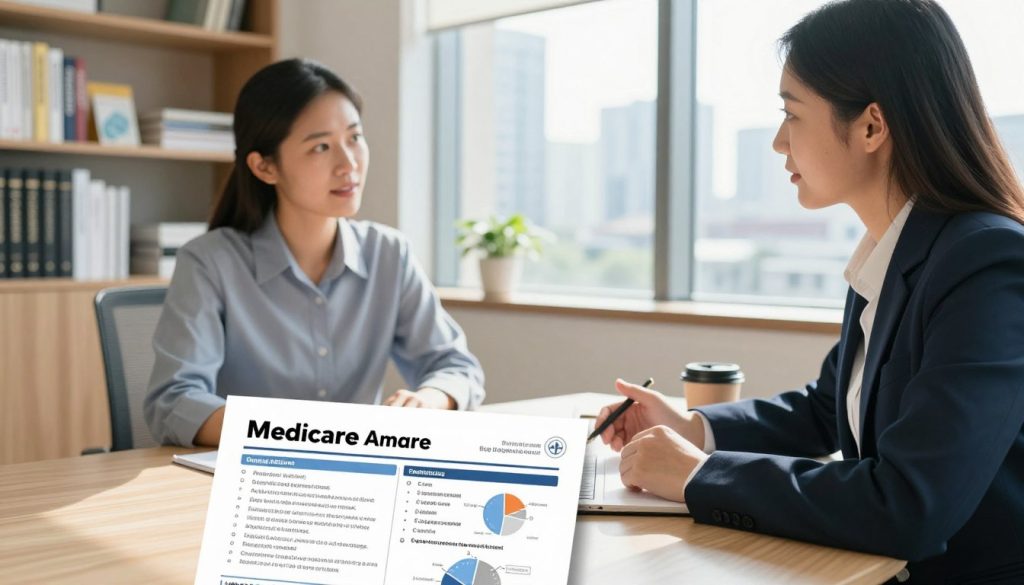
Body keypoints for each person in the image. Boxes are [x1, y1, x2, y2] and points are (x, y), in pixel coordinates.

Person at [595, 0, 1024, 581]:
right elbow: (828, 409)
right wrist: (696, 429)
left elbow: (912, 504)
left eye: (792, 114)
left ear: (872, 125)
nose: (778, 142)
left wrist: (698, 475)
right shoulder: (894, 250)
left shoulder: (988, 263)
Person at [145, 59, 485, 448]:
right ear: (265, 166)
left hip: (358, 483)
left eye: (355, 138)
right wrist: (306, 437)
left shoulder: (389, 254)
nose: (349, 164)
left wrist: (427, 401)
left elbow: (457, 368)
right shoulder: (209, 263)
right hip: (254, 481)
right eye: (321, 146)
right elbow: (175, 403)